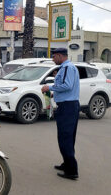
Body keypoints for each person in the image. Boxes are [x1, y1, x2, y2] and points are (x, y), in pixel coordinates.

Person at [41, 48, 80, 180]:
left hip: (68, 107)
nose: (52, 59)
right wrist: (54, 93)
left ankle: (72, 170)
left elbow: (67, 86)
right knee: (68, 137)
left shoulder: (67, 67)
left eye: (53, 57)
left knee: (65, 138)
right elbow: (66, 87)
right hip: (69, 105)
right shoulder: (68, 67)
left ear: (59, 56)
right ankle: (67, 163)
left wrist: (49, 87)